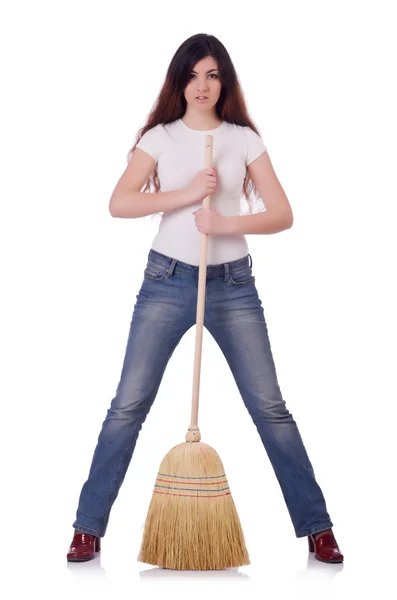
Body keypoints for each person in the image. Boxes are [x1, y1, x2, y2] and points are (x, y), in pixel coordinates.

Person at [67, 33, 343, 564]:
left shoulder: (242, 140)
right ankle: (87, 528)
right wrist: (188, 194)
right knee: (128, 405)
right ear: (179, 80)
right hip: (167, 280)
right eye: (193, 75)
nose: (202, 85)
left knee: (270, 408)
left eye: (212, 75)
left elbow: (282, 214)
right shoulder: (160, 138)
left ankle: (318, 528)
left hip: (233, 284)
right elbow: (119, 202)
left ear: (224, 82)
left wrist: (225, 221)